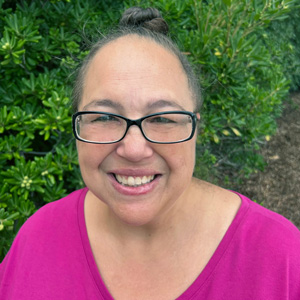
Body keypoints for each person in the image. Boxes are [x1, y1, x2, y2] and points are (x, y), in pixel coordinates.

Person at [0, 7, 299, 300]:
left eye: (162, 118)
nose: (133, 149)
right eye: (104, 117)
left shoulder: (281, 259)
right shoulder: (37, 238)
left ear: (196, 127)